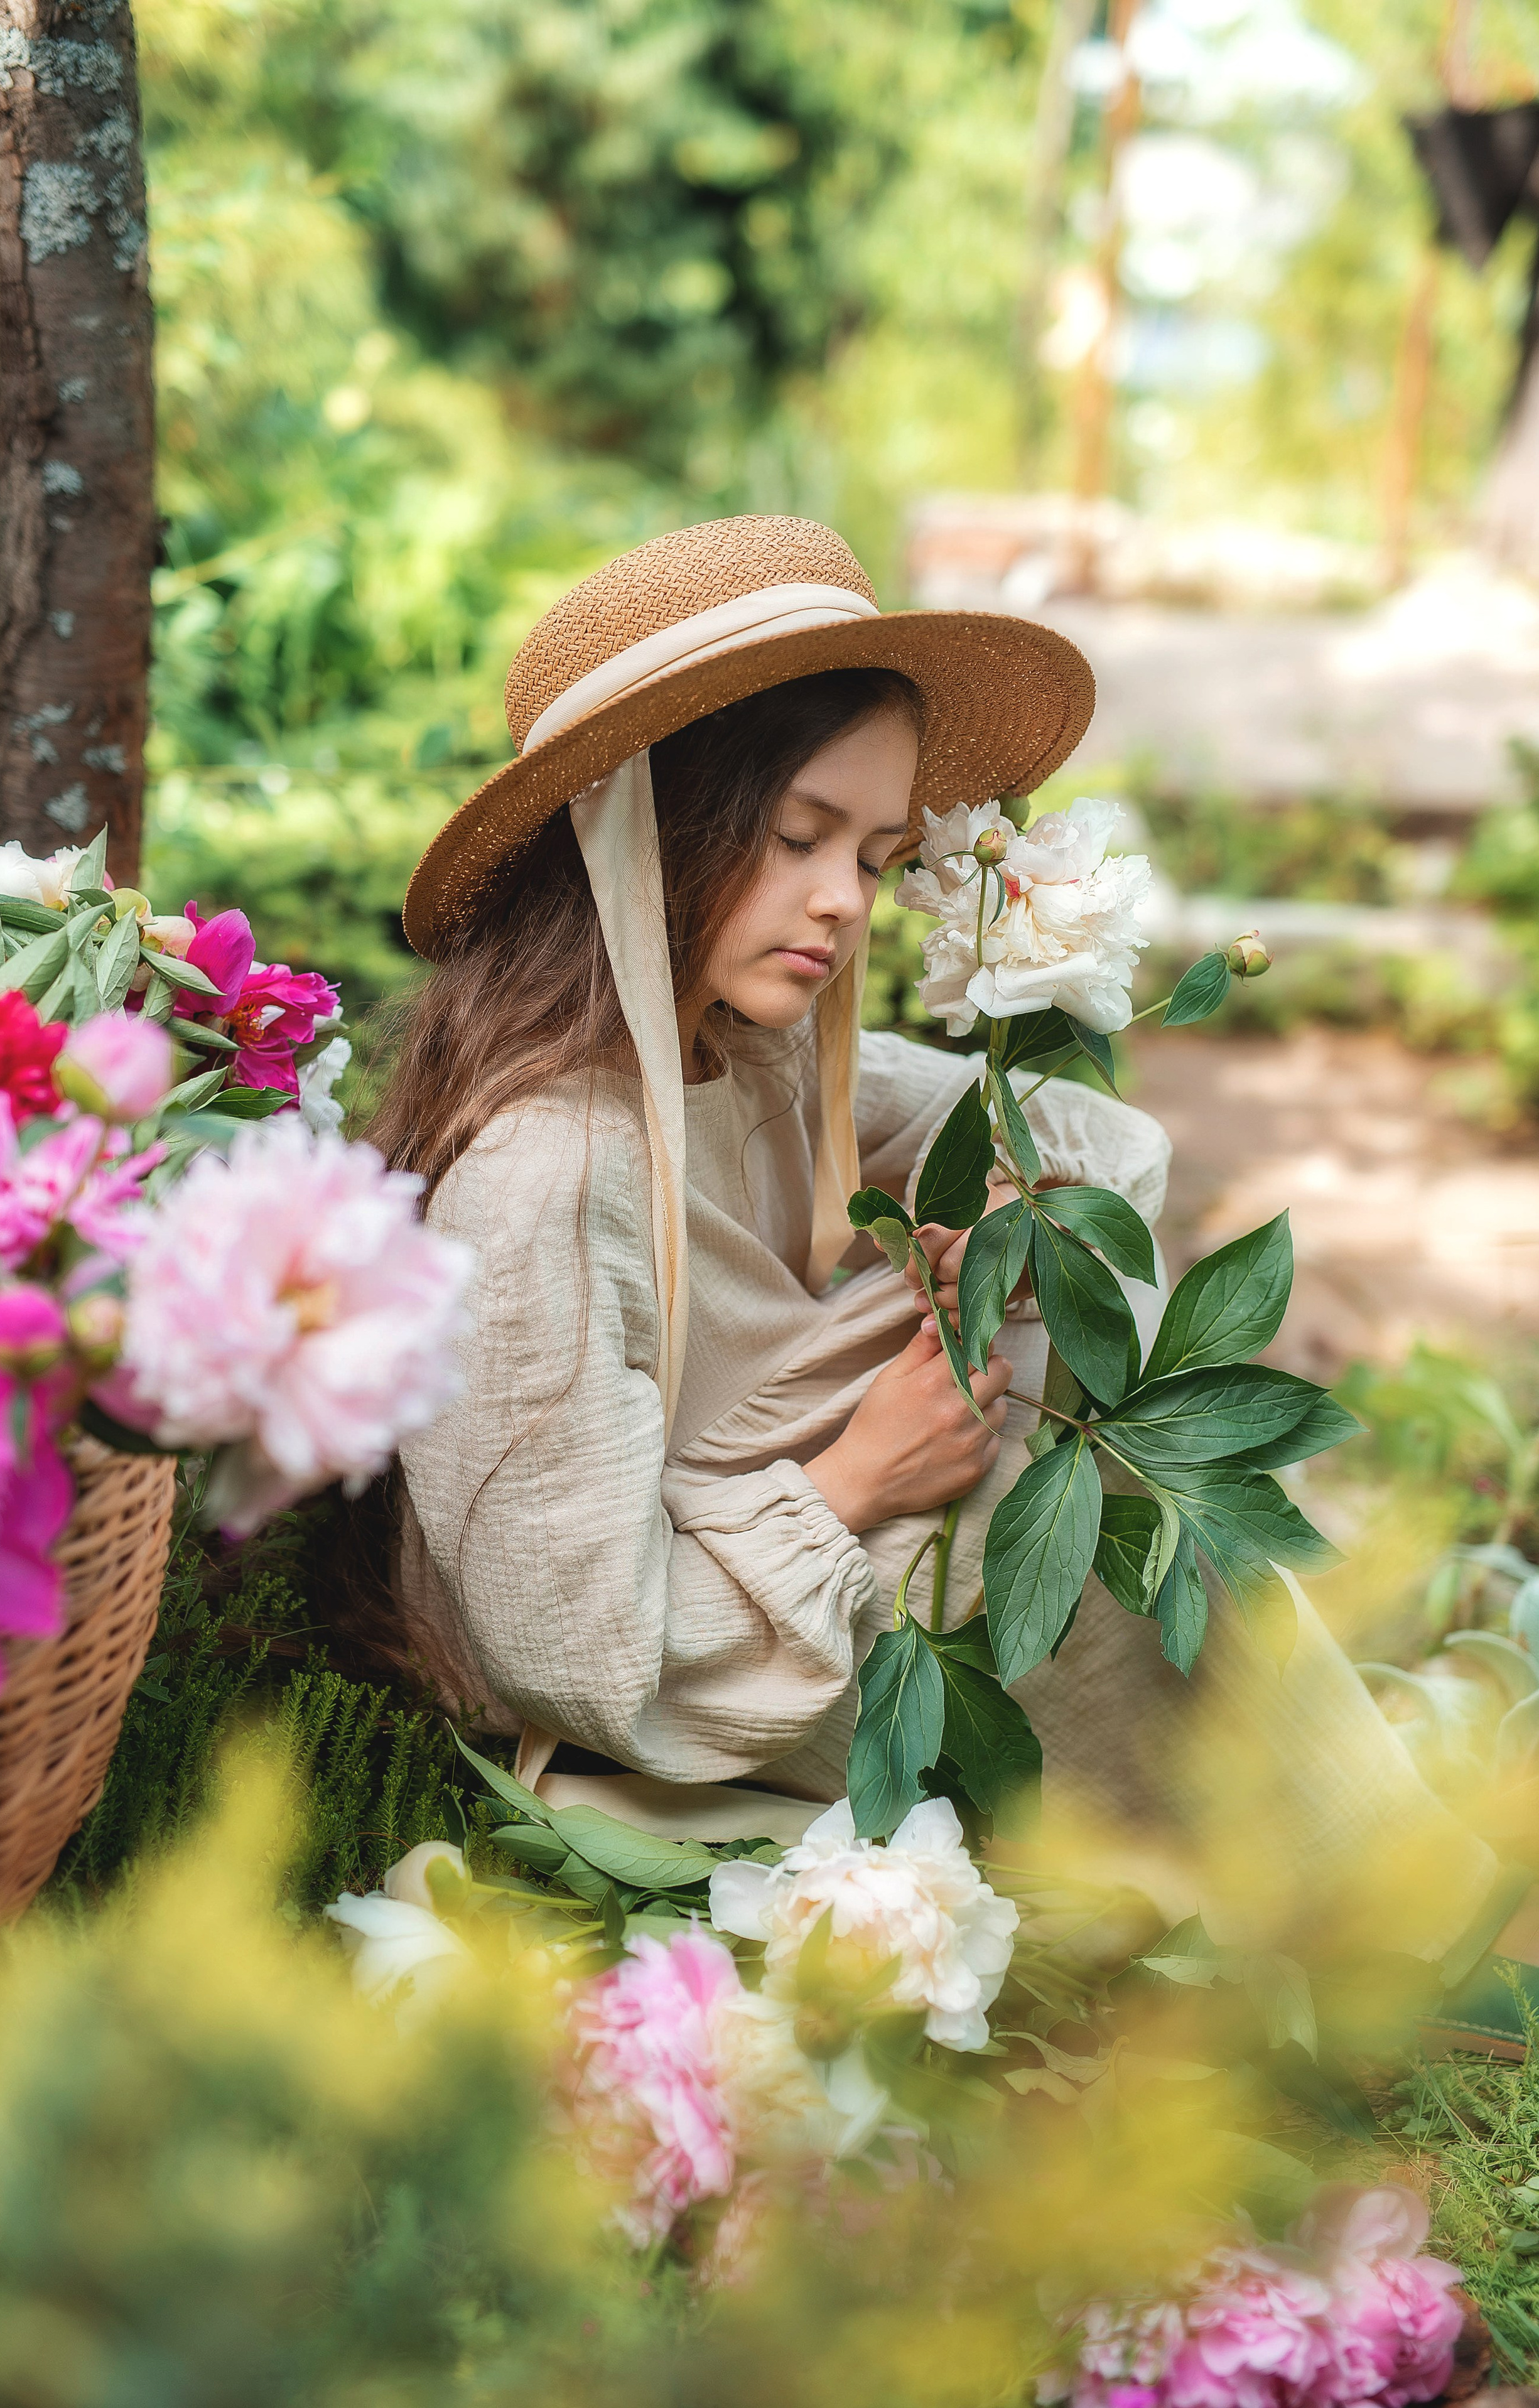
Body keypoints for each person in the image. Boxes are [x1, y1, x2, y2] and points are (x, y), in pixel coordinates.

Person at [373, 514, 1533, 2043]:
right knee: (1081, 1500)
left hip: (806, 1588)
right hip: (711, 1691)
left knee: (1099, 1442)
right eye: (795, 836)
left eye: (870, 853)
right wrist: (849, 1477)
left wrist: (996, 1215)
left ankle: (1368, 1901)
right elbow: (576, 1650)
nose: (845, 899)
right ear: (654, 824)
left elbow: (1082, 1141)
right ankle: (1374, 1923)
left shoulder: (760, 1055)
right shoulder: (545, 1171)